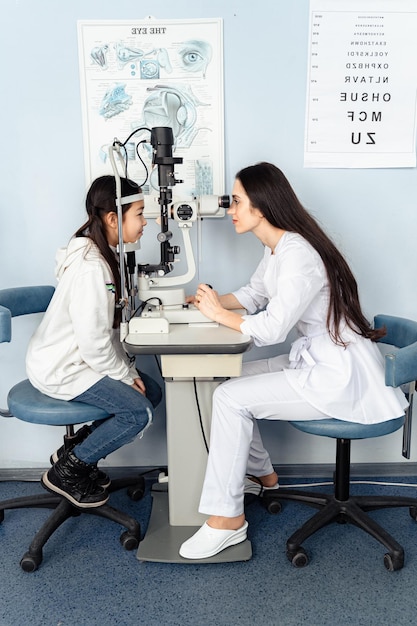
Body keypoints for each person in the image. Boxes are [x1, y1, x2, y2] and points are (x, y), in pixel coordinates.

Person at [179, 162, 408, 559]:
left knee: (231, 399)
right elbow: (253, 294)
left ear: (262, 206)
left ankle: (226, 520)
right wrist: (201, 303)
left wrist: (219, 316)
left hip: (337, 373)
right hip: (317, 357)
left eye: (236, 202)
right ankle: (264, 475)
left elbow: (270, 328)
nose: (229, 210)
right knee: (224, 385)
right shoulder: (279, 246)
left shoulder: (298, 254)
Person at [26, 175, 162, 508]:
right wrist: (125, 375)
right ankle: (69, 471)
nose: (146, 222)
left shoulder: (98, 252)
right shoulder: (92, 269)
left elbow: (102, 334)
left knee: (153, 390)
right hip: (63, 366)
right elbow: (93, 343)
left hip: (79, 358)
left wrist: (127, 371)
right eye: (140, 214)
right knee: (139, 413)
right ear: (113, 219)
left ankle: (74, 452)